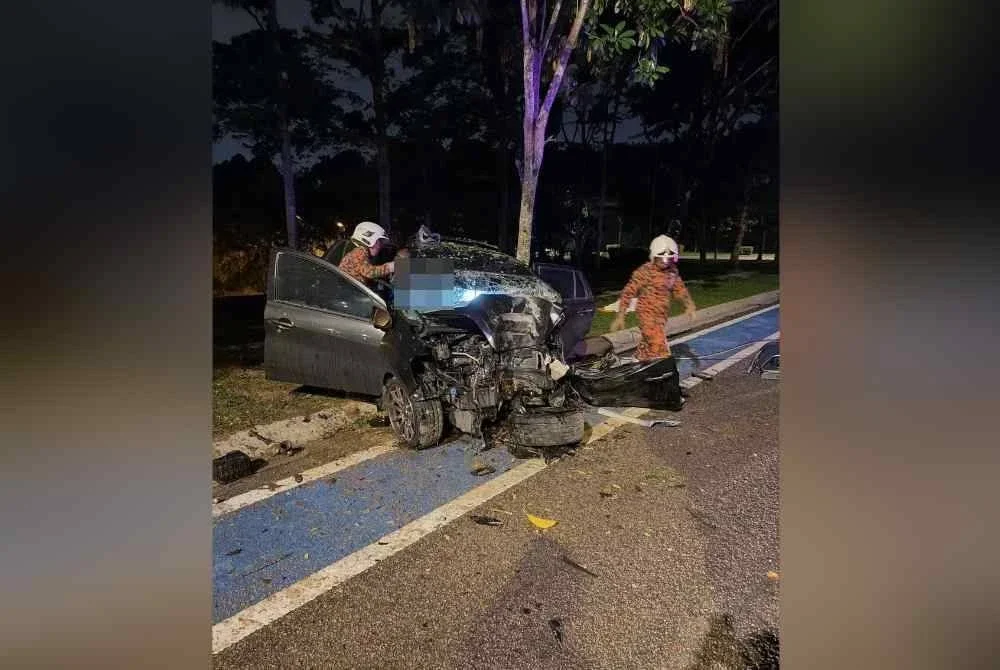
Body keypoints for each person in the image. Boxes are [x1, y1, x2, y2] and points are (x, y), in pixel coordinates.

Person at [610, 235, 696, 360]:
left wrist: (689, 305)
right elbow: (628, 292)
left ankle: (640, 357)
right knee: (656, 342)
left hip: (661, 314)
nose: (666, 261)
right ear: (654, 256)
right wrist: (620, 316)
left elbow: (680, 289)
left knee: (649, 341)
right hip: (647, 313)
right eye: (662, 258)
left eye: (670, 258)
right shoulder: (645, 271)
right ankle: (661, 362)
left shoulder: (672, 271)